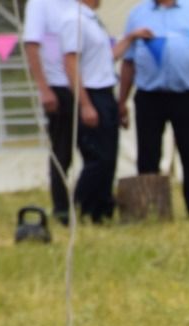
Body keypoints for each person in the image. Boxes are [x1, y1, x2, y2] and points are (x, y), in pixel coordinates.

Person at [117, 0, 189, 218]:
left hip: (186, 94)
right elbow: (128, 62)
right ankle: (149, 210)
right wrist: (122, 102)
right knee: (148, 155)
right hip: (149, 96)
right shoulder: (138, 14)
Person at [60, 0, 126, 222]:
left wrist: (132, 38)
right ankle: (82, 209)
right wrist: (85, 103)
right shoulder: (74, 20)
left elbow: (105, 59)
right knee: (97, 158)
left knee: (108, 158)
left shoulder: (92, 20)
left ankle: (102, 210)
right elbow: (71, 63)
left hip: (105, 92)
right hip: (90, 93)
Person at [22, 0, 80, 224]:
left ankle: (88, 201)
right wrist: (44, 89)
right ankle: (62, 208)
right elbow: (31, 46)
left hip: (82, 87)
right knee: (62, 152)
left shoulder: (78, 5)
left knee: (94, 150)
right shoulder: (40, 4)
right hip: (57, 87)